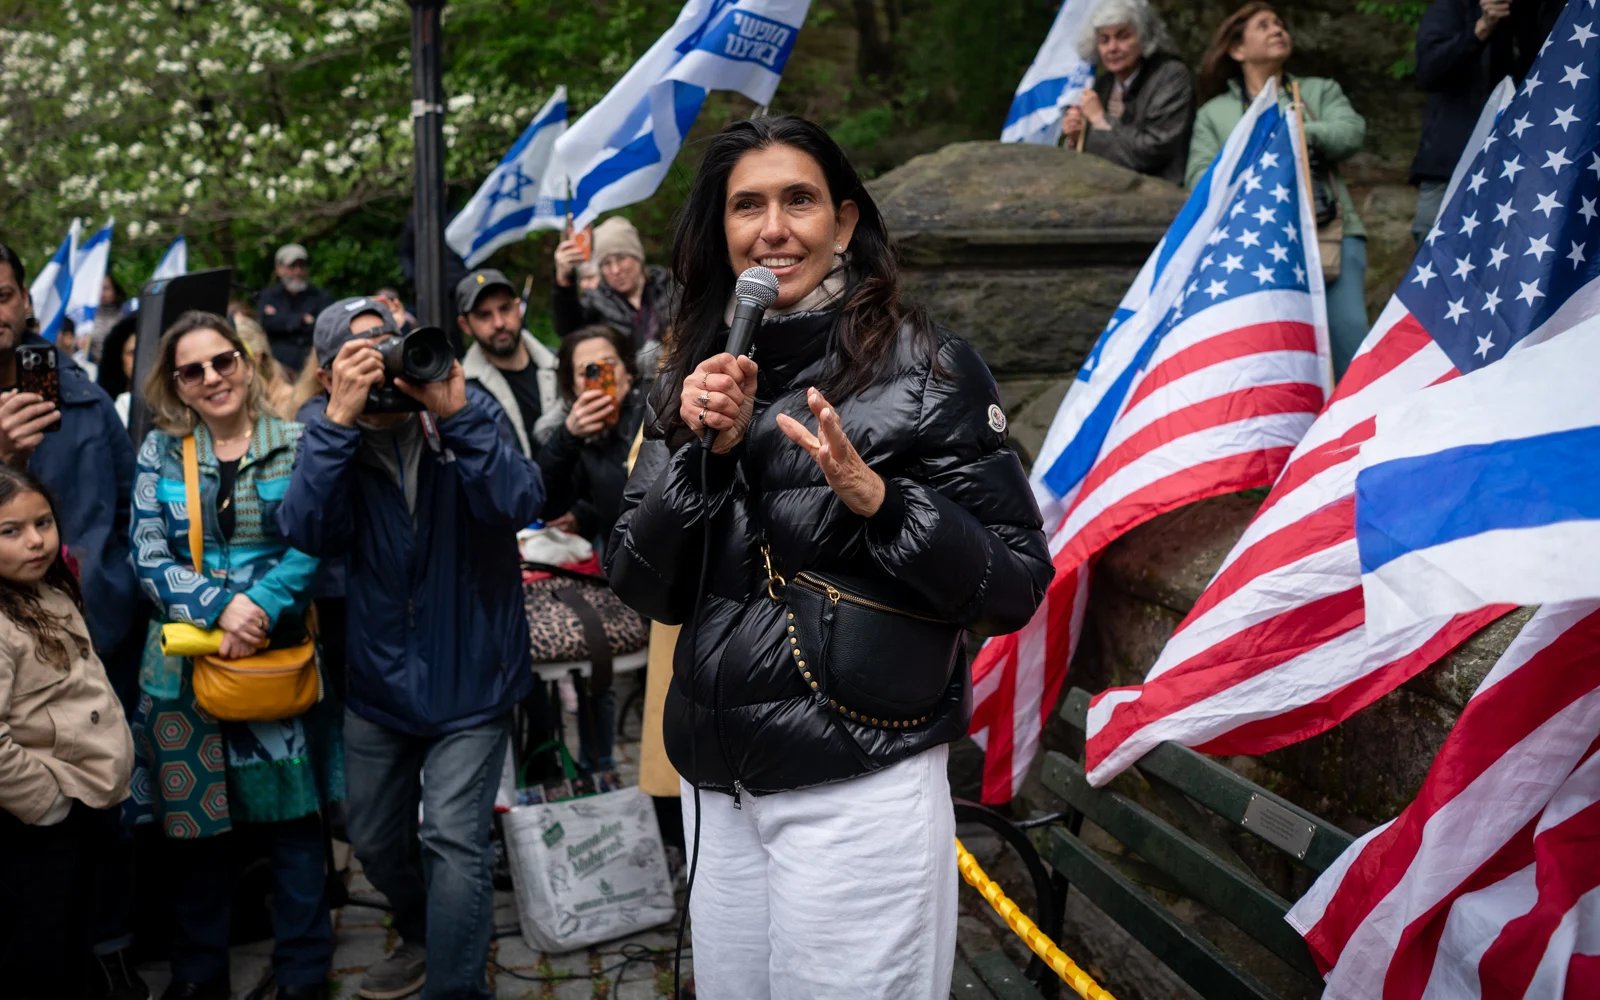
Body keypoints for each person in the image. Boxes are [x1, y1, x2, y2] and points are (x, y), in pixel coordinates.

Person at [605, 115, 1052, 998]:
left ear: (843, 222)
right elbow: (640, 585)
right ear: (719, 230)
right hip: (717, 786)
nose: (773, 229)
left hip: (859, 782)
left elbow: (1014, 585)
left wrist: (883, 504)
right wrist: (704, 458)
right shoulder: (688, 378)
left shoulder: (929, 367)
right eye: (748, 206)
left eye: (799, 200)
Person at [278, 297, 543, 999]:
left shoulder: (463, 406)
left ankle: (455, 987)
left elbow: (521, 503)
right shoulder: (322, 435)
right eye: (360, 353)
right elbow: (306, 530)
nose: (383, 362)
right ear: (329, 374)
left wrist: (457, 416)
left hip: (474, 673)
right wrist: (339, 422)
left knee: (453, 837)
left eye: (389, 343)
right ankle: (427, 933)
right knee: (371, 837)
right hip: (379, 681)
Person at [129, 311, 339, 1000]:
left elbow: (314, 541)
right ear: (175, 385)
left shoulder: (298, 443)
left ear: (245, 364)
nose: (212, 377)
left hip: (272, 660)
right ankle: (199, 978)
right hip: (182, 674)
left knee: (294, 832)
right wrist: (220, 608)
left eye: (223, 361)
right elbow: (145, 553)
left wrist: (261, 607)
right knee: (195, 836)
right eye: (193, 370)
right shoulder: (159, 453)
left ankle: (304, 974)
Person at [0, 242, 148, 997]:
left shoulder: (82, 396)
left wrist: (114, 591)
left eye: (2, 295)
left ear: (27, 301)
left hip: (95, 639)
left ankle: (111, 950)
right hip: (14, 672)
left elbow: (128, 505)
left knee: (108, 822)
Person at [0, 465, 134, 998]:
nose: (35, 541)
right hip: (36, 819)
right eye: (10, 531)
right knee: (39, 948)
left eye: (43, 522)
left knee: (76, 933)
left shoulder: (49, 591)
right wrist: (46, 801)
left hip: (84, 802)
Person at [1189, 3, 1369, 377]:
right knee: (1276, 353)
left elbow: (1351, 132)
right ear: (1237, 49)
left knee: (1349, 337)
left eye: (1280, 24)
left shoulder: (1319, 91)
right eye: (1264, 25)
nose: (1277, 30)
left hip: (1330, 234)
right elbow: (1198, 178)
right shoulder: (1214, 113)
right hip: (1254, 245)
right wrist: (1255, 153)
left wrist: (1297, 130)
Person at [538, 324, 646, 784]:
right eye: (588, 371)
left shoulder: (655, 413)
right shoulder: (579, 435)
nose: (602, 376)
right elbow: (546, 502)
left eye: (609, 365)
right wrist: (568, 436)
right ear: (572, 386)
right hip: (627, 584)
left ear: (628, 371)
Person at [1410, 0, 1563, 246]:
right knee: (1435, 260)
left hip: (1519, 171)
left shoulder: (1544, 10)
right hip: (1449, 170)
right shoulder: (1455, 6)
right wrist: (1481, 28)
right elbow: (1427, 72)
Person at [1061, 0, 1195, 185]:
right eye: (1104, 40)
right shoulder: (1102, 85)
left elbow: (1152, 151)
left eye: (1123, 37)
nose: (1112, 48)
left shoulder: (1171, 76)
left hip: (1160, 192)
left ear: (1144, 37)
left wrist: (1099, 119)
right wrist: (1076, 137)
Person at [457, 268, 561, 458]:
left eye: (505, 309)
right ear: (465, 325)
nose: (499, 323)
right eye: (484, 315)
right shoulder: (462, 390)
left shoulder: (560, 366)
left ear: (518, 308)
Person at [552, 216, 678, 369]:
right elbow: (568, 329)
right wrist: (564, 281)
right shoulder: (596, 302)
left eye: (621, 258)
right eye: (606, 263)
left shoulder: (672, 288)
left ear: (638, 257)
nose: (615, 270)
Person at [256, 243, 334, 374]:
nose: (298, 271)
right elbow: (267, 323)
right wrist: (302, 320)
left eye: (301, 266)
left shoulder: (320, 296)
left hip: (314, 365)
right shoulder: (269, 296)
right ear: (279, 268)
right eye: (292, 266)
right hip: (279, 367)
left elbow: (325, 327)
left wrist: (284, 321)